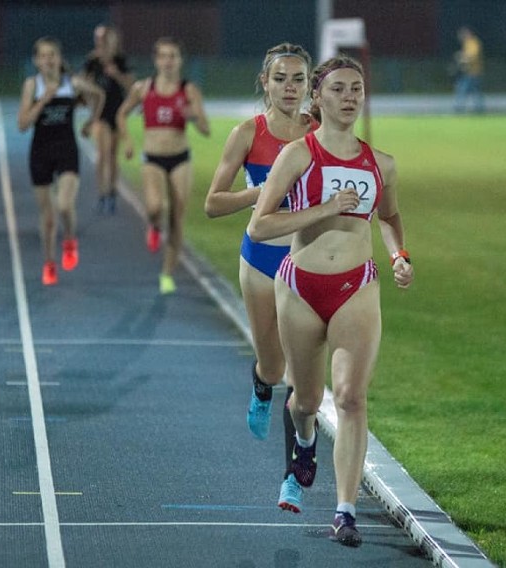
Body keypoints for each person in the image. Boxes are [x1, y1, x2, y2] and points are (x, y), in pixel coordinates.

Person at [248, 55, 414, 548]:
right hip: (300, 286)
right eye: (338, 89)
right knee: (306, 400)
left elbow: (389, 215)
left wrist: (399, 254)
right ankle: (303, 439)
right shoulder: (298, 155)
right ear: (317, 98)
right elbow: (260, 224)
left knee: (350, 397)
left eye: (357, 89)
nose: (349, 97)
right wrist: (324, 209)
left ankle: (345, 511)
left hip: (357, 287)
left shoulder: (380, 162)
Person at [204, 43, 317, 513]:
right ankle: (259, 385)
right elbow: (212, 202)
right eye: (280, 79)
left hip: (304, 263)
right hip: (259, 263)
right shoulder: (247, 134)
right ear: (264, 83)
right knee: (272, 367)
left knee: (299, 374)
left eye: (298, 79)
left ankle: (292, 477)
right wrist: (261, 193)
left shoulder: (320, 131)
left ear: (309, 85)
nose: (289, 88)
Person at [117, 36, 210, 294]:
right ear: (156, 60)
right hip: (153, 158)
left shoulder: (189, 90)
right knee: (155, 207)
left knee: (177, 218)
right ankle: (154, 225)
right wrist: (126, 142)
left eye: (173, 56)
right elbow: (121, 114)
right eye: (164, 56)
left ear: (180, 60)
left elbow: (205, 128)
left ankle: (167, 273)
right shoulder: (144, 88)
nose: (168, 61)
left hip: (180, 158)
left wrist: (193, 116)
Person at [18, 37, 105, 286]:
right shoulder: (31, 85)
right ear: (36, 61)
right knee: (47, 217)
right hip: (40, 153)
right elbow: (23, 124)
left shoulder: (73, 83)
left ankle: (69, 239)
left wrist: (91, 122)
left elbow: (99, 95)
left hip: (66, 150)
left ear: (59, 58)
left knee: (64, 205)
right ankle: (49, 262)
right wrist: (44, 100)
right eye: (43, 56)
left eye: (52, 55)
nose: (48, 60)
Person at [83, 24, 134, 214]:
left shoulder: (120, 60)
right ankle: (102, 194)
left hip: (117, 111)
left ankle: (112, 193)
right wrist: (88, 96)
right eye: (97, 38)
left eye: (103, 38)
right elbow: (83, 83)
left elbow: (131, 86)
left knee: (113, 156)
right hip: (100, 113)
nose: (100, 42)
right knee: (102, 154)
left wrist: (117, 74)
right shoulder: (92, 61)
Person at [453, 26, 484, 114]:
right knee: (475, 91)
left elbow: (473, 55)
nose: (460, 37)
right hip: (470, 72)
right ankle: (479, 108)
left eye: (462, 35)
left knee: (462, 89)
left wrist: (461, 57)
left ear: (467, 34)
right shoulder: (467, 43)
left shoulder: (473, 43)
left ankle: (459, 108)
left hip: (473, 72)